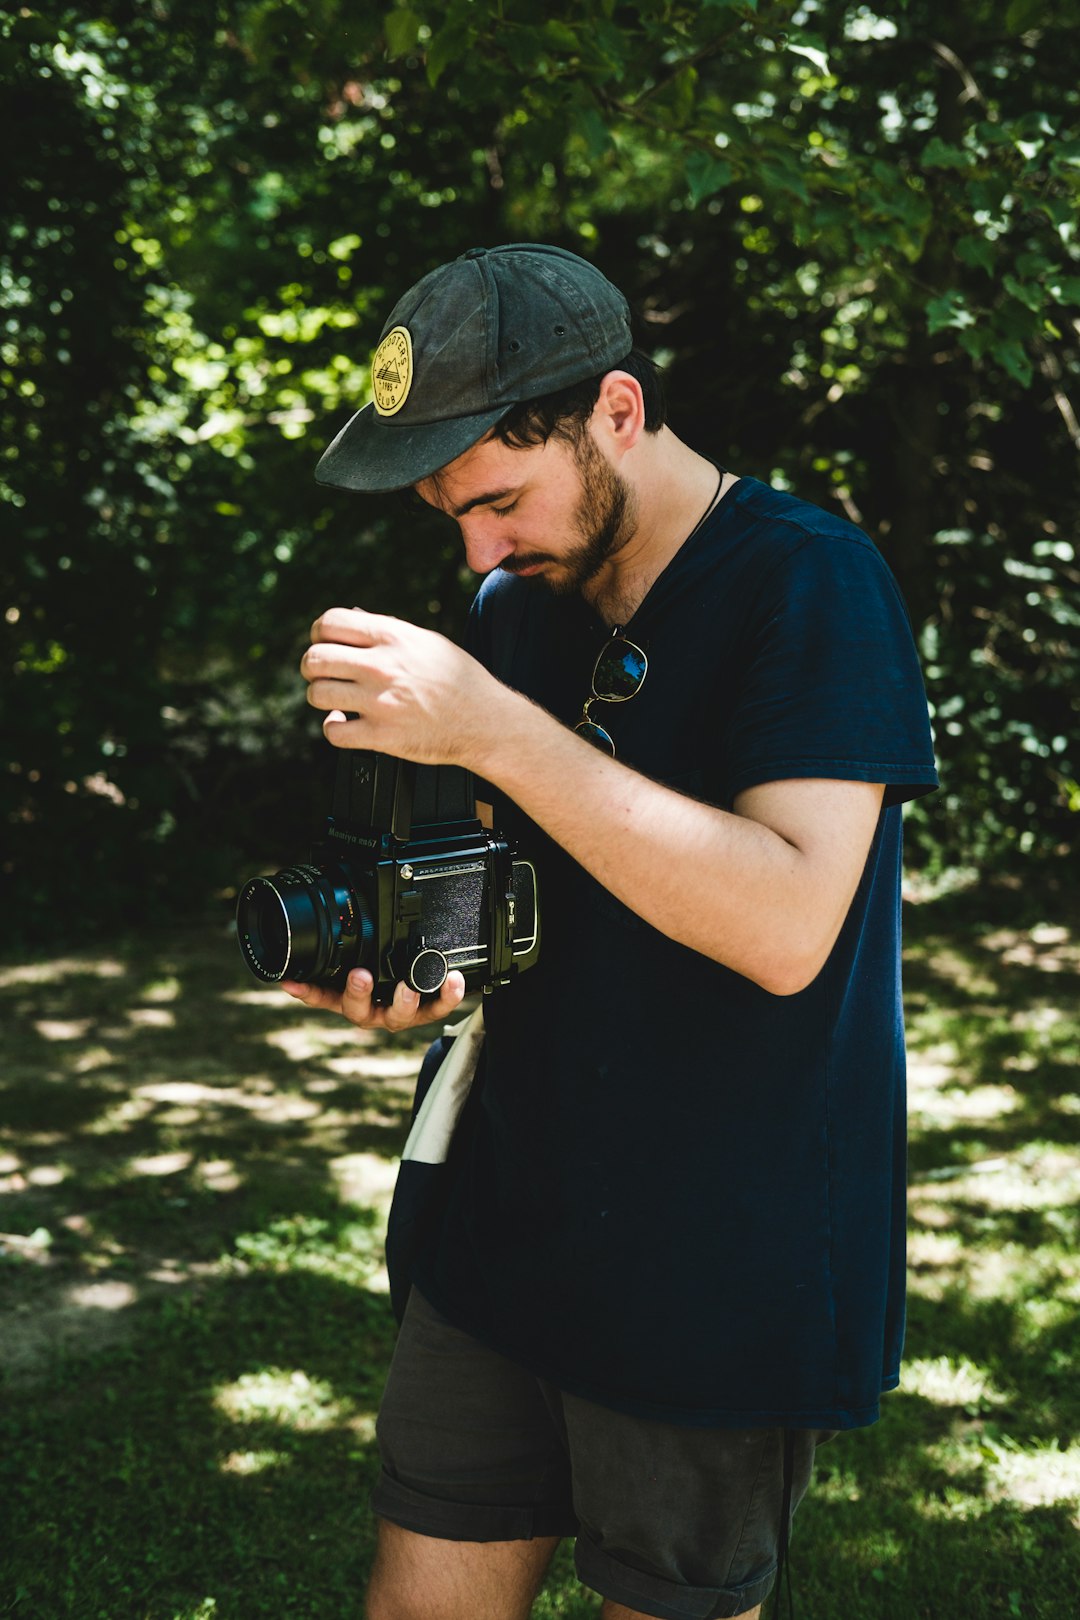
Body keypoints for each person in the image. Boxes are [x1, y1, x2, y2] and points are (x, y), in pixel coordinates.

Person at [285, 243, 938, 1620]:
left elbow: (781, 925)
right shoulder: (516, 606)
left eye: (502, 500)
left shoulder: (809, 584)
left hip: (716, 1254)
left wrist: (494, 731)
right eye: (450, 511)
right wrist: (421, 969)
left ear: (619, 415)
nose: (479, 548)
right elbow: (532, 893)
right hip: (508, 1218)